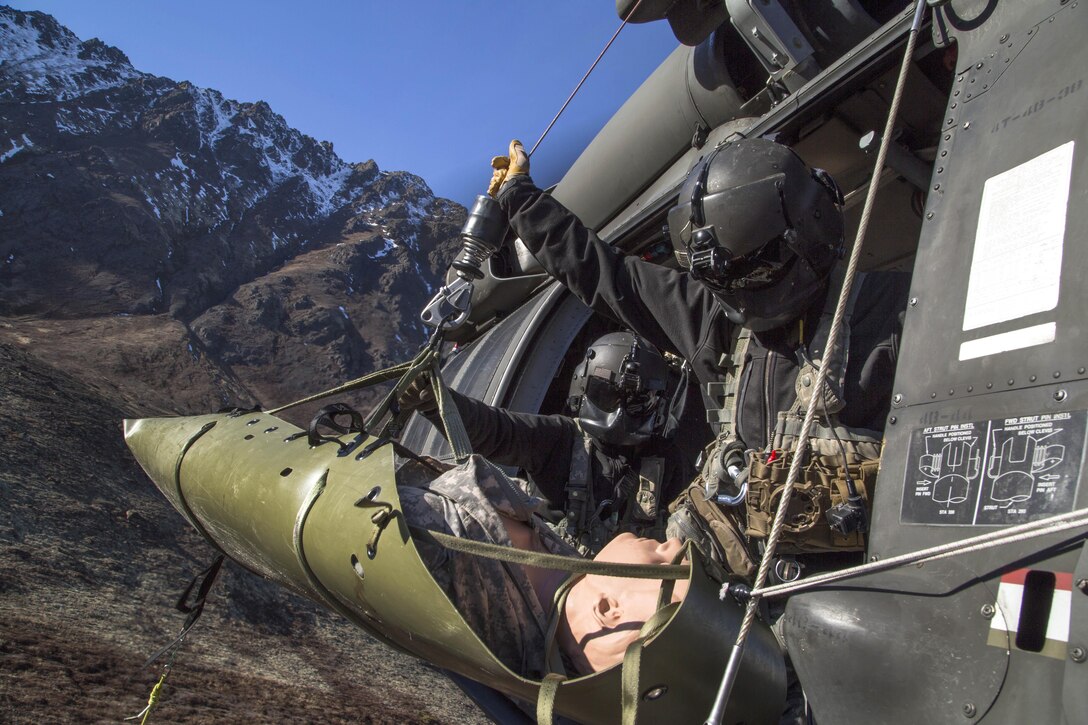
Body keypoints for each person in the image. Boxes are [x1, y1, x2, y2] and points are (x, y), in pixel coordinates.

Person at [487, 137, 911, 577]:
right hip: (740, 589)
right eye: (725, 278)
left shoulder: (898, 311)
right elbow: (600, 270)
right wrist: (520, 198)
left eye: (757, 269)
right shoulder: (716, 319)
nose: (742, 292)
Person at [402, 330, 696, 554]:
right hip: (555, 584)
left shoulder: (665, 460)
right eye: (607, 394)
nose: (621, 412)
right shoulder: (559, 438)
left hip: (625, 596)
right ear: (584, 387)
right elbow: (494, 430)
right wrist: (434, 400)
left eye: (639, 401)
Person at [398, 453, 688, 679]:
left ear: (607, 610)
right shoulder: (568, 571)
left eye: (668, 567)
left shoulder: (447, 552)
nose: (673, 545)